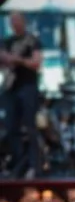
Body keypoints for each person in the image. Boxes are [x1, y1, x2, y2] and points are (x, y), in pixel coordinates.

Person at [0, 12, 42, 178]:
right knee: (11, 127)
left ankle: (34, 165)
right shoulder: (7, 41)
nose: (14, 23)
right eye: (12, 21)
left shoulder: (32, 41)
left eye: (17, 20)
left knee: (30, 127)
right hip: (10, 88)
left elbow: (36, 63)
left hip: (28, 87)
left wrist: (19, 60)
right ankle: (18, 164)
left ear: (23, 21)